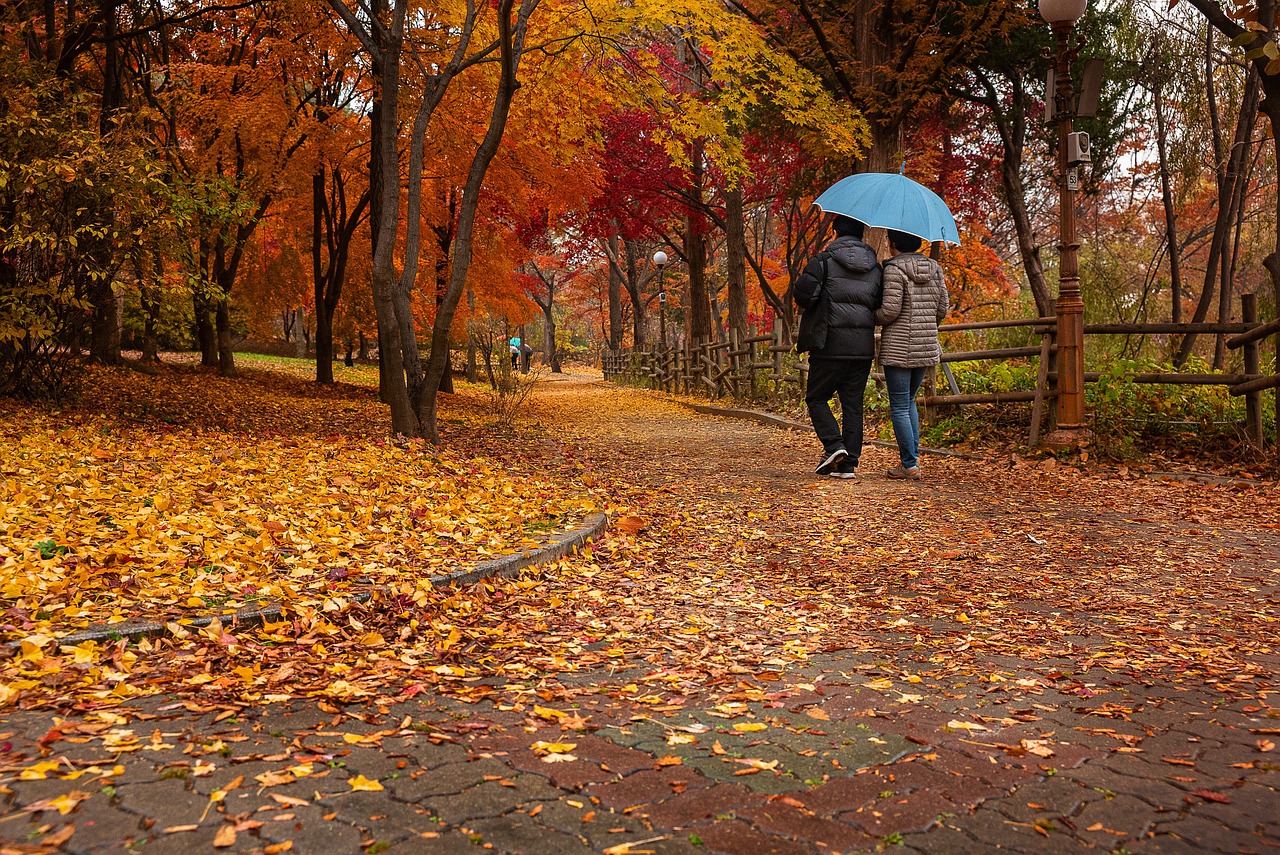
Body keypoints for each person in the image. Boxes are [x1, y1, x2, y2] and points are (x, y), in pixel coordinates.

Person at [793, 215, 882, 479]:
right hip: (862, 347)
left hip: (828, 343)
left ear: (835, 232)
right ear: (862, 235)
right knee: (853, 404)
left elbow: (803, 295)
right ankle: (848, 465)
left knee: (816, 397)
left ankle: (834, 445)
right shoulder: (876, 269)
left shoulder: (823, 262)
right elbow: (878, 303)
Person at [875, 229, 950, 480]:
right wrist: (927, 324)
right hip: (926, 345)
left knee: (898, 404)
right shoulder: (935, 269)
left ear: (894, 243)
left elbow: (889, 311)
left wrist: (870, 316)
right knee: (909, 400)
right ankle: (912, 459)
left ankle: (909, 464)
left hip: (898, 346)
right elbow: (943, 307)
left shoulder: (894, 270)